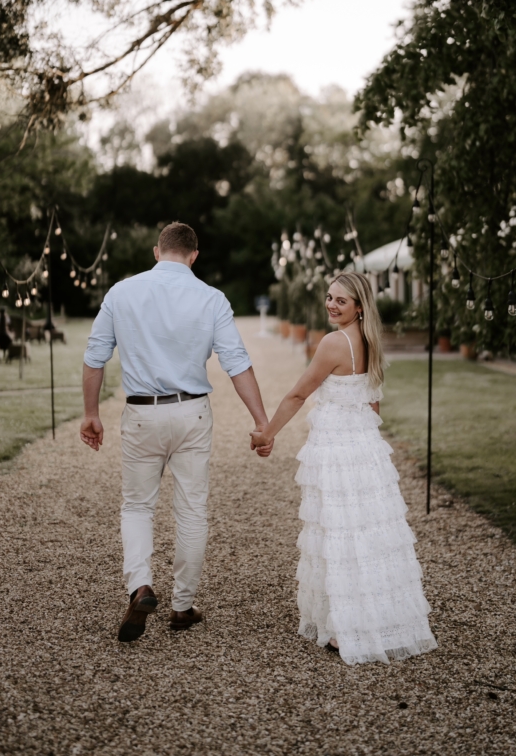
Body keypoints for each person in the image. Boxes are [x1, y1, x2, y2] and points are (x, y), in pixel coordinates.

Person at [80, 221, 273, 642]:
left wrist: (91, 414)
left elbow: (95, 357)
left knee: (137, 507)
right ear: (194, 256)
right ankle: (182, 607)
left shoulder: (121, 292)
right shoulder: (212, 298)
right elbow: (236, 361)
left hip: (142, 414)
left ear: (156, 252)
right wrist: (261, 422)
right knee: (191, 510)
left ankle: (141, 586)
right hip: (192, 415)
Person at [250, 271, 437, 666]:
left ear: (358, 307)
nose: (331, 305)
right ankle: (376, 618)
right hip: (365, 444)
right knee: (368, 531)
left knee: (339, 530)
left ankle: (344, 627)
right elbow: (373, 402)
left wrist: (267, 433)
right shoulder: (370, 342)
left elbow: (299, 393)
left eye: (341, 301)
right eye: (329, 297)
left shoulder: (333, 342)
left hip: (336, 446)